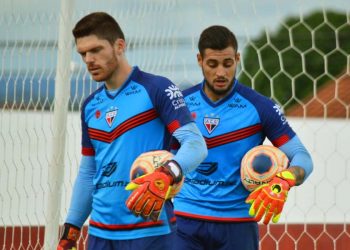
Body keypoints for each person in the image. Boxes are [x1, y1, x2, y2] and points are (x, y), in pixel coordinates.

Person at [57, 12, 207, 250]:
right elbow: (89, 171)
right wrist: (71, 229)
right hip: (100, 233)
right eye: (83, 53)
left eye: (95, 50)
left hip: (150, 229)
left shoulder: (157, 88)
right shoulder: (89, 106)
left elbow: (196, 145)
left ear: (119, 46)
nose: (88, 59)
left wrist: (167, 174)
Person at [172, 25, 313, 250]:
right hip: (184, 221)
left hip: (238, 224)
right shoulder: (180, 104)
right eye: (212, 64)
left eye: (228, 64)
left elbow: (302, 157)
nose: (221, 73)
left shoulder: (260, 106)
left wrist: (284, 180)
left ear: (237, 58)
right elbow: (164, 155)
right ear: (199, 60)